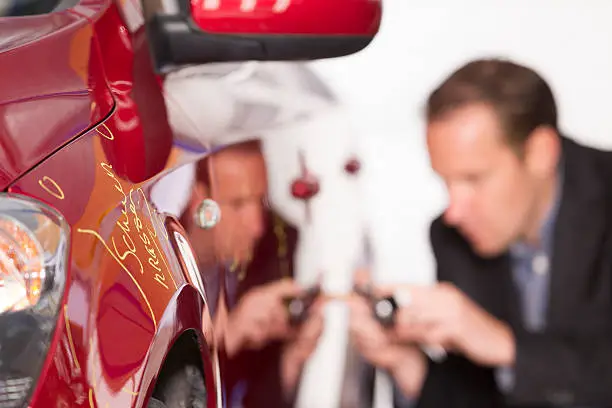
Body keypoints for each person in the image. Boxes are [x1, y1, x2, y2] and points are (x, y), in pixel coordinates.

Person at [350, 57, 612, 407]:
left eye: (474, 179)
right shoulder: (451, 240)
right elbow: (480, 397)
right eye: (446, 182)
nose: (454, 211)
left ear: (540, 153)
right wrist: (404, 361)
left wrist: (504, 345)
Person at [180, 139, 324, 408]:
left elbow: (260, 394)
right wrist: (230, 335)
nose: (257, 225)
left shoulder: (278, 243)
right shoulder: (152, 261)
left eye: (261, 200)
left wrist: (291, 358)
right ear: (200, 204)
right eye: (238, 204)